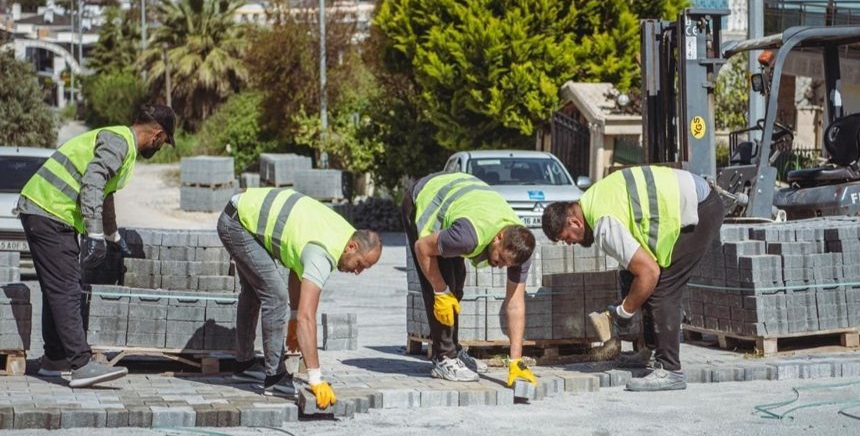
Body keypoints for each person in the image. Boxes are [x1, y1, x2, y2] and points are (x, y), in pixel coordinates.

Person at [19, 104, 176, 387]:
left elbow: (105, 194)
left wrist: (112, 235)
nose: (161, 146)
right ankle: (80, 364)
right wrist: (93, 233)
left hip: (46, 211)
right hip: (49, 210)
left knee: (58, 287)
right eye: (164, 141)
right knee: (67, 289)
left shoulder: (121, 143)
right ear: (157, 134)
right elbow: (93, 182)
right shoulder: (119, 142)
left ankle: (55, 359)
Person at [541, 165, 724, 391]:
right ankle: (649, 350)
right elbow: (632, 267)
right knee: (632, 277)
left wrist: (624, 311)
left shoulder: (603, 223)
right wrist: (629, 293)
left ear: (574, 222)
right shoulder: (592, 200)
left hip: (699, 209)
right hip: (690, 201)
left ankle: (671, 370)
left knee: (663, 287)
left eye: (567, 238)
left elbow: (649, 272)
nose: (570, 244)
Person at [218, 188, 382, 409]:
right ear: (352, 247)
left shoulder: (344, 235)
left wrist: (293, 318)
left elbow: (298, 269)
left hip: (241, 214)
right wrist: (315, 378)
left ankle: (244, 365)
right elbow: (308, 317)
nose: (358, 272)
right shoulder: (323, 252)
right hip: (237, 224)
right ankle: (275, 378)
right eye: (360, 264)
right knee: (275, 295)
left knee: (255, 292)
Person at [401, 171, 538, 386]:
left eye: (507, 264)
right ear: (498, 237)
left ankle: (453, 351)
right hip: (424, 196)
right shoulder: (467, 237)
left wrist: (516, 361)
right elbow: (422, 248)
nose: (501, 266)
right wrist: (440, 290)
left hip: (461, 207)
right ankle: (444, 359)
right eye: (501, 258)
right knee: (441, 286)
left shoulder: (521, 250)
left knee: (457, 283)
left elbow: (515, 304)